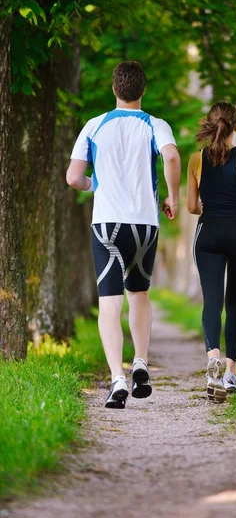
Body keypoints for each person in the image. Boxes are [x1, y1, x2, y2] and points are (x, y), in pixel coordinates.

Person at [67, 61, 180, 409]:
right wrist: (173, 197)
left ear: (114, 90)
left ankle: (118, 375)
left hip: (107, 226)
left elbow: (73, 178)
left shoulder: (94, 125)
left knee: (109, 304)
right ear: (142, 91)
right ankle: (141, 362)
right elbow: (172, 157)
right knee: (139, 296)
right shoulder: (155, 124)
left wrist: (92, 184)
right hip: (145, 225)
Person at [187, 101, 236, 403]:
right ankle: (231, 374)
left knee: (212, 300)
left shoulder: (196, 159)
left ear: (211, 124)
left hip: (207, 233)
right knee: (234, 300)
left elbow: (193, 207)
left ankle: (212, 360)